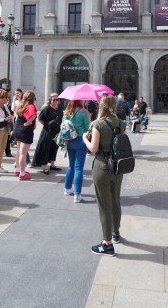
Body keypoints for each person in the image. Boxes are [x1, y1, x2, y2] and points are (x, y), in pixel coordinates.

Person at [82, 94, 126, 256]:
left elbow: (93, 149)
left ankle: (107, 244)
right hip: (117, 166)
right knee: (116, 199)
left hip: (101, 166)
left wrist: (84, 139)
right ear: (114, 106)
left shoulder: (97, 124)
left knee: (104, 204)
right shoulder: (121, 123)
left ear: (101, 106)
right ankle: (116, 233)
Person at [63, 99, 91, 202]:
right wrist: (89, 117)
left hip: (70, 140)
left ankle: (67, 188)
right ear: (80, 100)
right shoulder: (83, 111)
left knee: (71, 166)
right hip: (80, 140)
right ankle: (77, 194)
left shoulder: (67, 112)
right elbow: (88, 127)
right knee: (79, 168)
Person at [32, 93, 63, 174]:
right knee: (46, 148)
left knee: (55, 147)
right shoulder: (47, 109)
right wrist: (47, 125)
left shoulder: (59, 108)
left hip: (57, 131)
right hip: (48, 131)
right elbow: (40, 119)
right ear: (50, 101)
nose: (56, 101)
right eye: (54, 100)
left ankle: (52, 165)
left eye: (57, 99)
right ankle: (45, 166)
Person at [13, 90, 37, 180]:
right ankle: (22, 174)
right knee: (23, 153)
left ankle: (18, 169)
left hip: (17, 129)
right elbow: (33, 115)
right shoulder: (31, 106)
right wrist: (28, 123)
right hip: (25, 131)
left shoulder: (21, 105)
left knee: (19, 151)